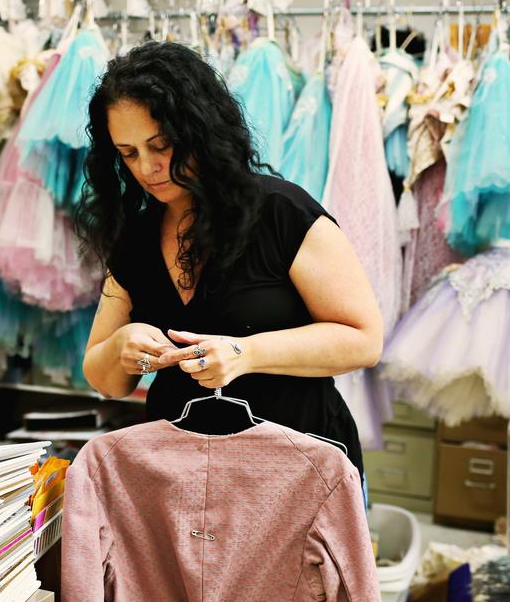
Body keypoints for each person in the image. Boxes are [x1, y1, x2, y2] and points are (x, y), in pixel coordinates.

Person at [75, 41, 383, 478]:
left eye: (161, 145)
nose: (146, 167)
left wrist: (246, 353)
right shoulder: (136, 236)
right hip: (182, 478)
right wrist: (121, 349)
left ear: (200, 130)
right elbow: (106, 379)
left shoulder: (281, 213)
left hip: (301, 474)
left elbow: (364, 340)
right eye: (128, 153)